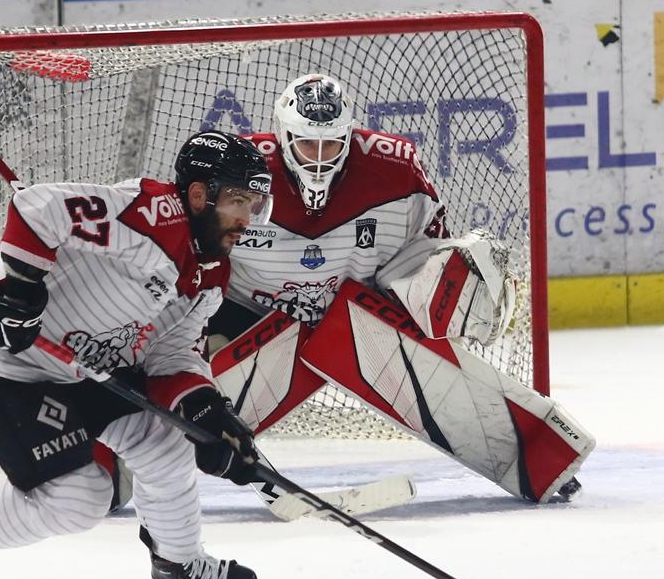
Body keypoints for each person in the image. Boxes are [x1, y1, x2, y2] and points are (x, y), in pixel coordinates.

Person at [0, 130, 273, 579]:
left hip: (85, 363)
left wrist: (210, 414)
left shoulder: (210, 272)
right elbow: (38, 207)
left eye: (256, 204)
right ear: (199, 195)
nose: (247, 219)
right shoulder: (148, 218)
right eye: (238, 201)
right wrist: (20, 290)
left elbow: (170, 353)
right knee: (81, 497)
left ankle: (177, 562)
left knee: (166, 443)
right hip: (2, 362)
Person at [207, 73, 595, 504]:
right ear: (283, 135)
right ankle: (118, 465)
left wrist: (449, 284)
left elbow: (423, 254)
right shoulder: (237, 173)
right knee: (192, 384)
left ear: (349, 135)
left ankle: (537, 453)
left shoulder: (395, 169)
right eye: (307, 144)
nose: (319, 158)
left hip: (354, 315)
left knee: (391, 340)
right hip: (252, 315)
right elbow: (197, 258)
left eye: (331, 144)